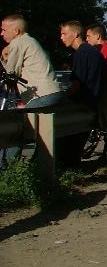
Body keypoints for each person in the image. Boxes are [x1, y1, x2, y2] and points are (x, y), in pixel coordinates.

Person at [1, 14, 63, 166]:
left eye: (3, 29)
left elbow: (10, 73)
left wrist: (3, 57)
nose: (1, 33)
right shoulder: (30, 41)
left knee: (14, 124)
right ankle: (37, 164)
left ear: (16, 30)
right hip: (52, 92)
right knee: (29, 128)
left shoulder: (18, 43)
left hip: (41, 95)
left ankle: (7, 167)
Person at [59, 20, 106, 166]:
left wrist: (63, 97)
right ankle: (72, 167)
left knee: (65, 140)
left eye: (64, 33)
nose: (61, 37)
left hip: (82, 104)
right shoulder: (93, 51)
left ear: (76, 34)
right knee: (76, 145)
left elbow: (77, 83)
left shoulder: (81, 53)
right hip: (92, 104)